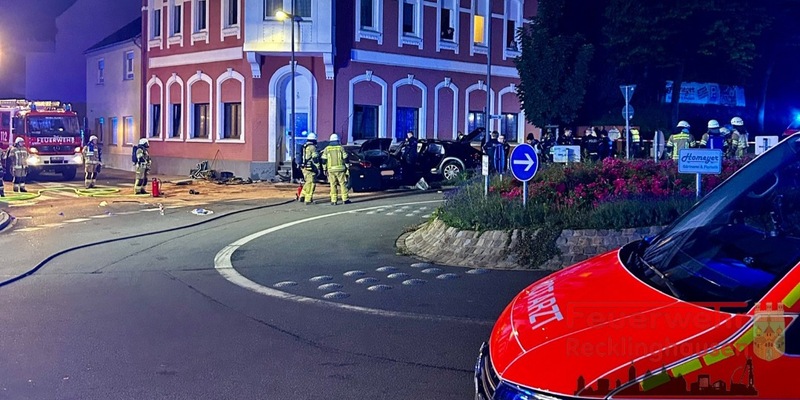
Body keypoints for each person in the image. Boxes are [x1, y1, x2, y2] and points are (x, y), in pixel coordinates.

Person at [321, 133, 350, 205]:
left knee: (332, 184)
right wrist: (347, 166)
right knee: (343, 184)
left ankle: (334, 200)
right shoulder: (340, 148)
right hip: (341, 169)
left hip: (331, 170)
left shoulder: (327, 149)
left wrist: (324, 169)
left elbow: (324, 160)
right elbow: (345, 158)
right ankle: (345, 199)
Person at [298, 132, 320, 205]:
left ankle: (302, 196)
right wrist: (318, 167)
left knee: (307, 182)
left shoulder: (305, 146)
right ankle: (308, 200)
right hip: (310, 168)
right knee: (311, 183)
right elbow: (315, 158)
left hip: (304, 167)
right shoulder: (312, 147)